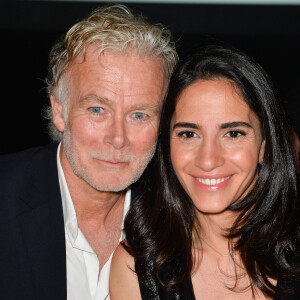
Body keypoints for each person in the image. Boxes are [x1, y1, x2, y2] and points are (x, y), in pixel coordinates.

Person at [0, 4, 177, 300]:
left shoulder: (180, 221)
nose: (117, 139)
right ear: (60, 111)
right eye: (97, 109)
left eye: (139, 115)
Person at [110, 45, 300, 299]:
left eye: (233, 133)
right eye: (189, 134)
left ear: (264, 147)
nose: (208, 160)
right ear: (168, 146)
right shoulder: (137, 268)